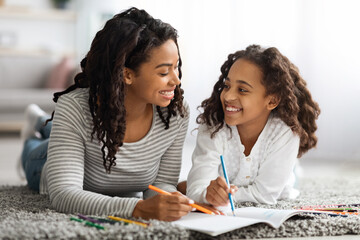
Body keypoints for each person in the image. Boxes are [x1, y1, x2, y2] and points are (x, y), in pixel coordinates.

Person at [20, 7, 194, 222]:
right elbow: (63, 194)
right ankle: (35, 125)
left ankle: (42, 122)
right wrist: (138, 207)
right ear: (127, 74)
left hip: (90, 136)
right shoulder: (75, 107)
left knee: (59, 129)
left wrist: (171, 200)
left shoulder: (176, 112)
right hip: (41, 162)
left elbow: (160, 185)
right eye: (164, 72)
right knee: (34, 148)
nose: (176, 80)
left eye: (176, 67)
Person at [186, 45, 320, 207]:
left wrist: (218, 196)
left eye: (242, 90)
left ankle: (294, 168)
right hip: (236, 179)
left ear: (271, 101)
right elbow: (195, 190)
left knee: (290, 175)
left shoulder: (285, 132)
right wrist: (205, 193)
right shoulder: (213, 126)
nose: (228, 96)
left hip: (283, 185)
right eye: (227, 86)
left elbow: (265, 195)